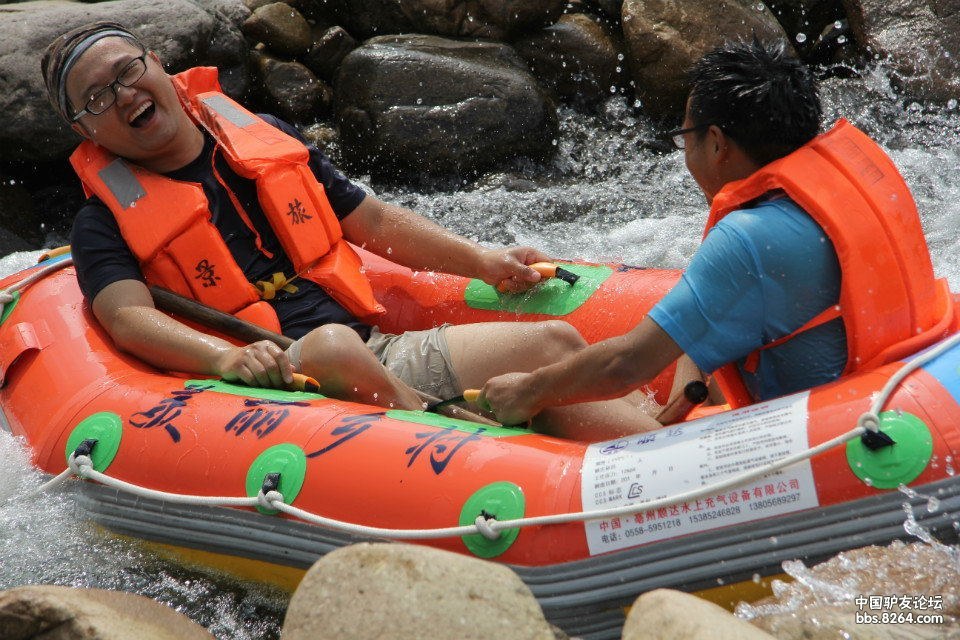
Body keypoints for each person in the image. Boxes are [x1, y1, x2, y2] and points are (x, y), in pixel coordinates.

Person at [41, 22, 659, 439]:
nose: (123, 96)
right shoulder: (102, 223)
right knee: (335, 344)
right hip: (282, 381)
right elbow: (127, 318)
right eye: (96, 99)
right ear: (85, 132)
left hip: (377, 351)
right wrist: (227, 356)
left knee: (552, 341)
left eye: (127, 71)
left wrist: (480, 260)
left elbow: (373, 221)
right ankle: (456, 431)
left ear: (157, 63)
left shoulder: (260, 135)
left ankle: (668, 457)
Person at [479, 38, 953, 426]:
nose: (685, 153)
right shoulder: (852, 185)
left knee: (552, 414)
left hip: (835, 441)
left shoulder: (748, 239)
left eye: (686, 137)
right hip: (911, 394)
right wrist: (690, 385)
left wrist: (527, 391)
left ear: (718, 143)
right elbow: (742, 306)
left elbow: (625, 365)